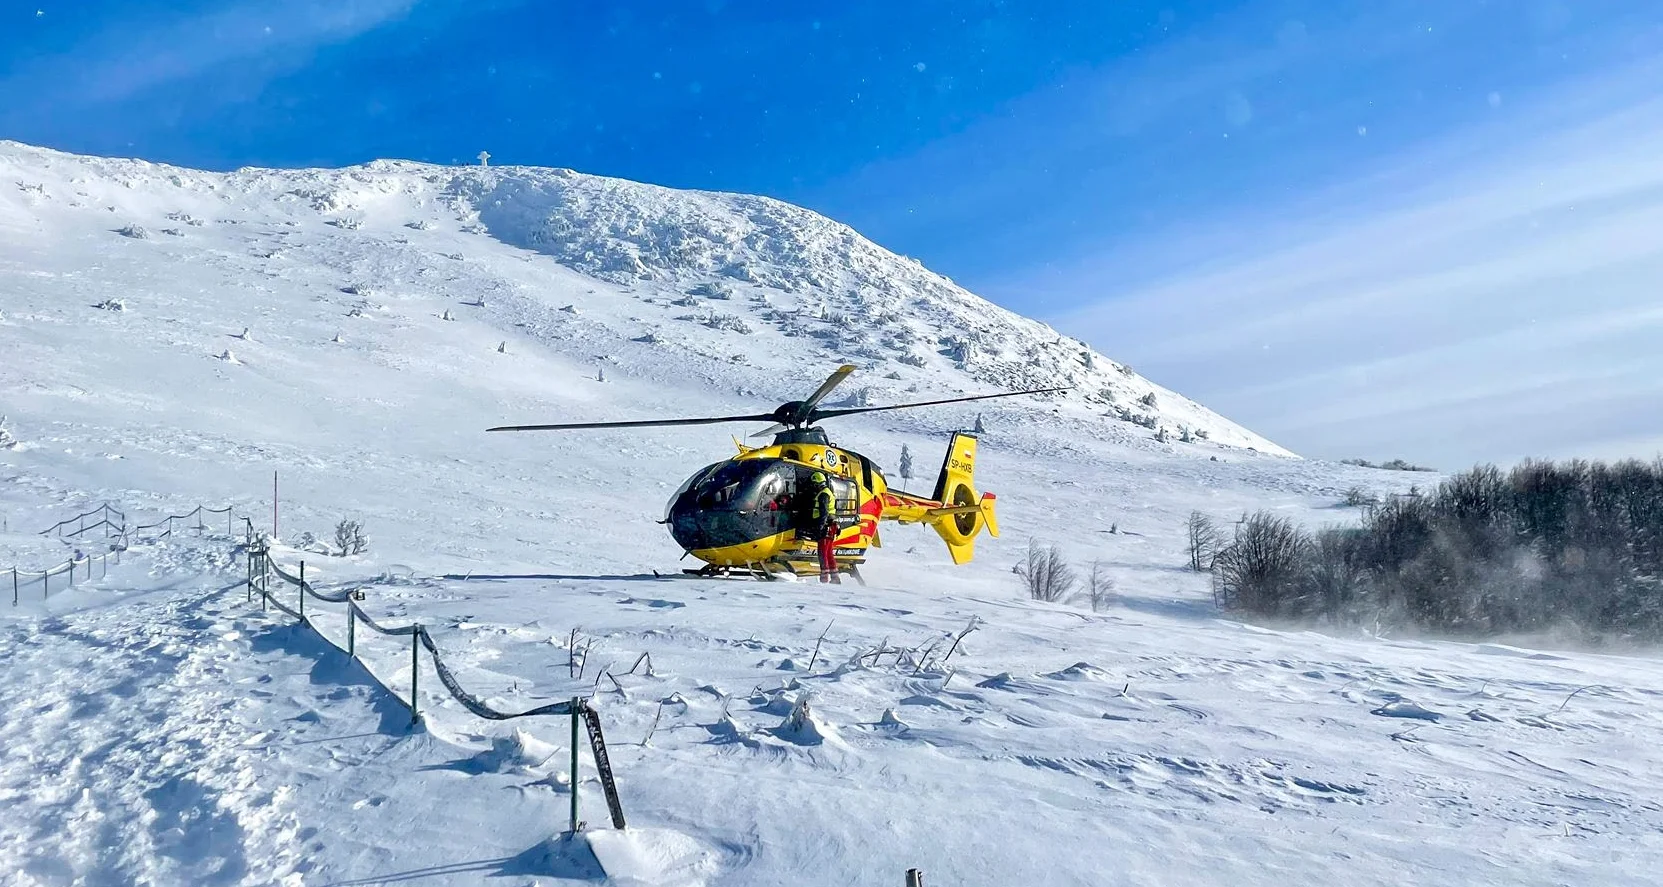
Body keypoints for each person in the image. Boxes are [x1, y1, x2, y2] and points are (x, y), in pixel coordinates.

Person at [804, 471, 840, 584]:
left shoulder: (823, 495)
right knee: (828, 553)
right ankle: (835, 577)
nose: (813, 487)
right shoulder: (827, 492)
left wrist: (820, 526)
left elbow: (823, 512)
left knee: (822, 553)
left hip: (826, 526)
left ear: (818, 484)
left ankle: (824, 578)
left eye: (814, 484)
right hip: (831, 526)